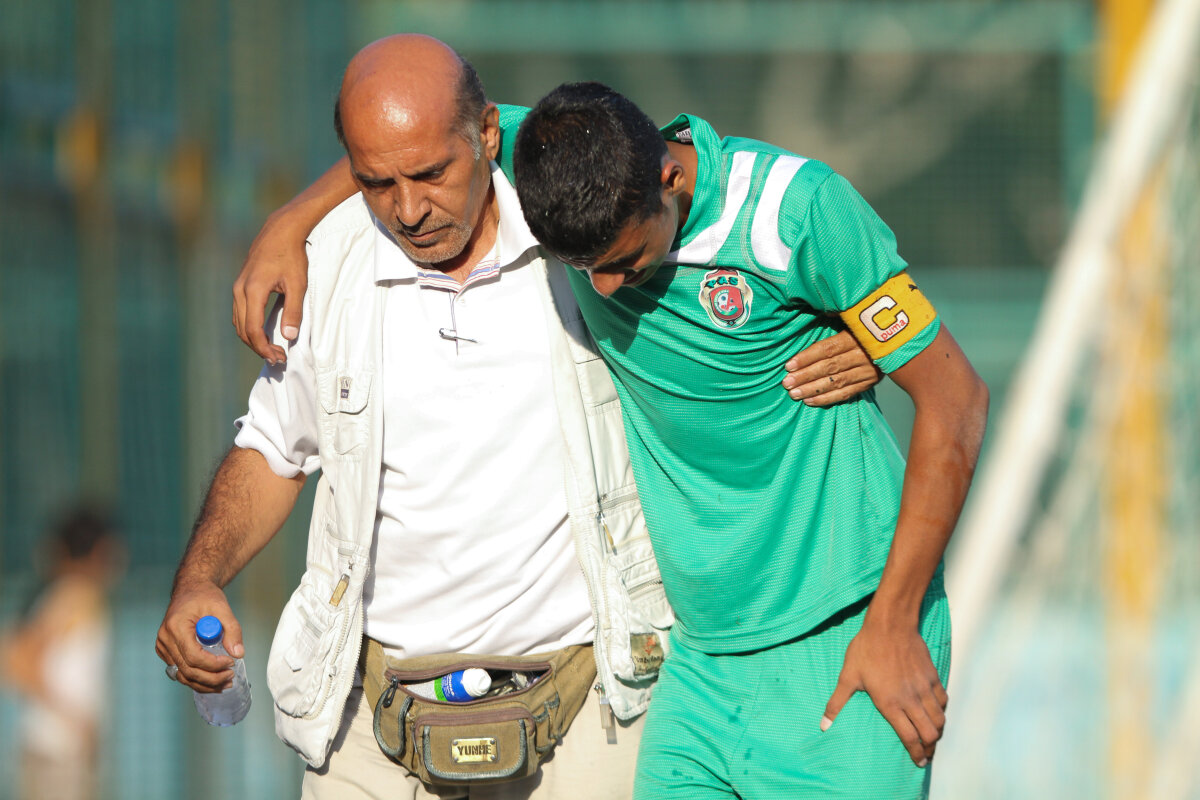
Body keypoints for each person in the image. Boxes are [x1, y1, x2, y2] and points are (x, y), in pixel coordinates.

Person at [156, 36, 878, 800]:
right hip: (370, 713)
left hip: (593, 701)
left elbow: (722, 263)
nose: (409, 210)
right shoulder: (327, 262)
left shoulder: (579, 230)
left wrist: (860, 334)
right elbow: (273, 448)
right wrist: (199, 579)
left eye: (432, 174)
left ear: (488, 135)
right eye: (377, 183)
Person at [508, 82, 989, 799]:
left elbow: (957, 399)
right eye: (582, 268)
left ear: (669, 178)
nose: (604, 290)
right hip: (700, 663)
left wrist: (893, 624)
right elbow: (428, 124)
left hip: (848, 634)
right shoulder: (550, 151)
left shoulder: (798, 210)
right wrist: (313, 216)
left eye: (624, 260)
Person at [1, 506, 125, 800]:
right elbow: (15, 660)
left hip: (48, 751)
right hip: (60, 757)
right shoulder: (77, 594)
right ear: (100, 550)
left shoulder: (56, 593)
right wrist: (74, 718)